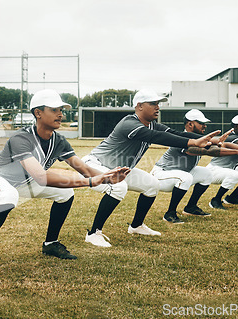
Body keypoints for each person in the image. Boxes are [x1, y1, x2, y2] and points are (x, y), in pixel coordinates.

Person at [0, 89, 130, 277]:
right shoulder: (22, 138)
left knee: (65, 194)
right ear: (38, 113)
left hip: (23, 180)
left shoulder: (59, 141)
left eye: (61, 109)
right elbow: (41, 177)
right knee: (9, 195)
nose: (61, 114)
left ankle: (50, 244)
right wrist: (90, 182)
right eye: (54, 109)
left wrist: (108, 177)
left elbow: (84, 169)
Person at [83, 89, 222, 248]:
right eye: (153, 103)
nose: (158, 107)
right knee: (118, 187)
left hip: (120, 169)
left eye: (158, 104)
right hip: (95, 165)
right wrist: (193, 142)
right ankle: (93, 233)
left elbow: (177, 134)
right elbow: (158, 137)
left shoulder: (152, 125)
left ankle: (136, 226)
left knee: (152, 185)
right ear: (139, 106)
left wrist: (212, 140)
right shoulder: (129, 123)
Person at [151, 109, 238, 224]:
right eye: (201, 123)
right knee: (185, 177)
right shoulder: (183, 139)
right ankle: (170, 213)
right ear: (190, 124)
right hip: (161, 175)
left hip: (179, 173)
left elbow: (224, 144)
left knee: (206, 173)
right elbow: (209, 151)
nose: (205, 126)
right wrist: (237, 152)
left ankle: (191, 207)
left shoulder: (198, 138)